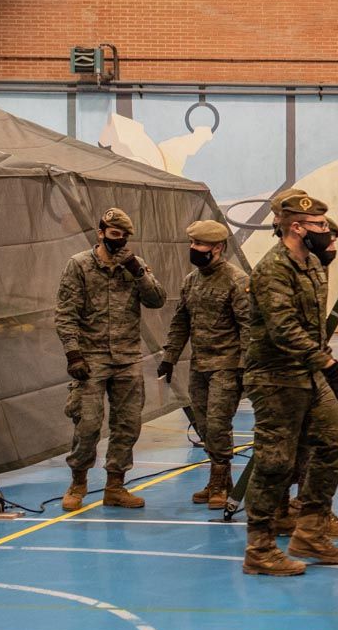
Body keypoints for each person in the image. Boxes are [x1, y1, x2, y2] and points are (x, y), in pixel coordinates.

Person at [240, 192, 338, 576]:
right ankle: (259, 549)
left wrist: (320, 364)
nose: (327, 232)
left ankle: (311, 528)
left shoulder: (310, 263)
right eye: (320, 226)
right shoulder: (272, 269)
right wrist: (328, 362)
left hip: (305, 375)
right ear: (296, 227)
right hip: (274, 376)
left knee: (334, 443)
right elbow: (283, 329)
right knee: (275, 461)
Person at [54, 207, 166, 511]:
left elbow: (157, 300)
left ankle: (115, 487)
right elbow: (65, 314)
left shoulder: (135, 265)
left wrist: (138, 271)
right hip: (91, 358)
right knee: (87, 424)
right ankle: (78, 483)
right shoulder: (78, 265)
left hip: (128, 357)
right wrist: (73, 353)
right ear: (101, 232)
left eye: (125, 237)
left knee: (127, 424)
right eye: (115, 235)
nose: (120, 241)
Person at [159, 220, 253, 509]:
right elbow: (181, 321)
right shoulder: (191, 281)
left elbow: (248, 327)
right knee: (202, 424)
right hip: (199, 365)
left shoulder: (236, 281)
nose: (193, 249)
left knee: (217, 424)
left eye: (199, 244)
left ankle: (219, 482)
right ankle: (220, 482)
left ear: (218, 247)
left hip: (227, 366)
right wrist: (169, 357)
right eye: (192, 243)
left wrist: (249, 369)